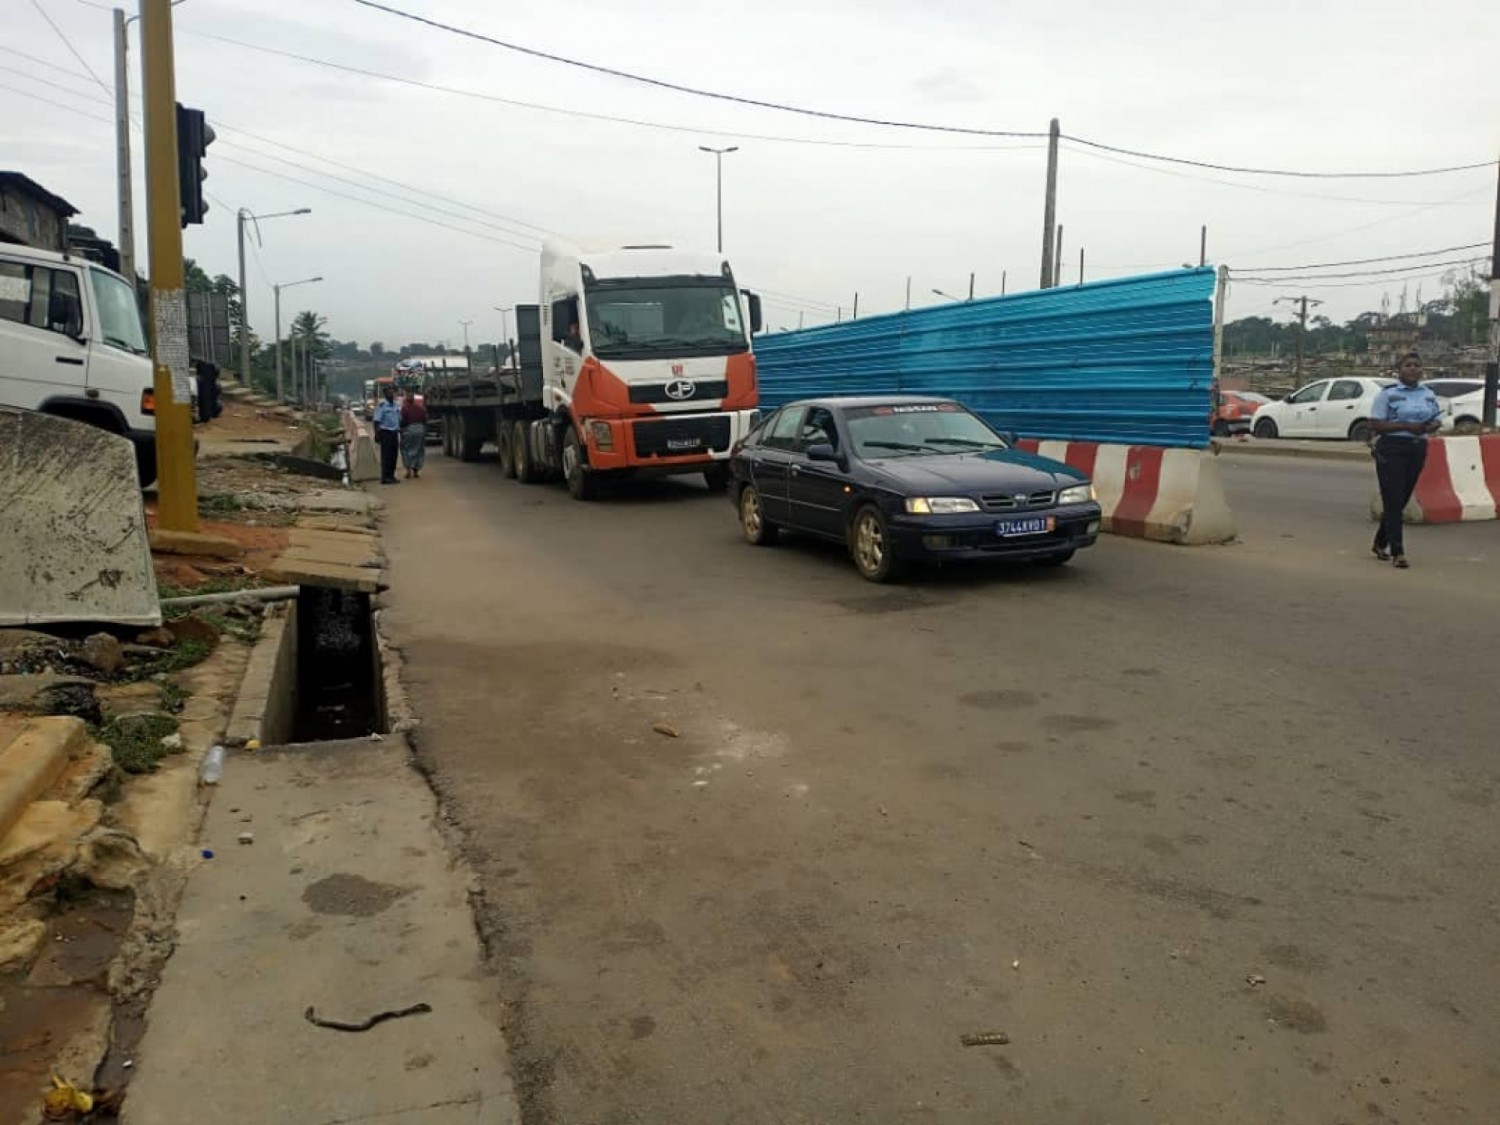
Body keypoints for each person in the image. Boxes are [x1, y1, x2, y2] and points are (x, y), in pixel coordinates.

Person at [1369, 351, 1442, 568]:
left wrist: (1431, 425)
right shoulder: (1388, 394)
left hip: (1417, 448)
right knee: (1392, 499)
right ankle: (1398, 551)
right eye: (1408, 365)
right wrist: (1407, 426)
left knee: (1400, 499)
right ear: (1399, 370)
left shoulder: (1427, 394)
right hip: (1392, 449)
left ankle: (1380, 542)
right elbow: (1376, 423)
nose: (1412, 369)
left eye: (1416, 365)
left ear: (1422, 370)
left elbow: (1436, 418)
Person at [373, 384, 402, 485]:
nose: (391, 393)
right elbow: (376, 421)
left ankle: (391, 476)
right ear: (385, 394)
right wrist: (376, 434)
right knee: (386, 456)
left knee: (394, 456)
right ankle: (385, 477)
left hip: (394, 433)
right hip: (386, 433)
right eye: (389, 392)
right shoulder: (382, 406)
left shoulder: (396, 405)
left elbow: (399, 419)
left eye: (392, 392)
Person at [400, 391, 428, 479]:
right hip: (420, 429)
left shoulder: (404, 409)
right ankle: (416, 470)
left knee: (405, 448)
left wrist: (401, 430)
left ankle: (408, 469)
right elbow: (424, 420)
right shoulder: (421, 409)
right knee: (419, 449)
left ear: (406, 400)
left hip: (409, 429)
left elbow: (403, 421)